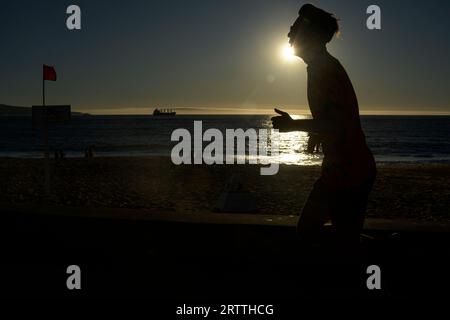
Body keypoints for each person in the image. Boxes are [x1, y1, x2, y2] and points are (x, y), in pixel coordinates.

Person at [272, 4, 376, 248]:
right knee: (324, 232)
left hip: (351, 171)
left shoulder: (324, 69)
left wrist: (293, 125)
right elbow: (334, 117)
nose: (288, 35)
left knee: (322, 234)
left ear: (311, 36)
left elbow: (337, 123)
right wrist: (317, 132)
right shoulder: (320, 66)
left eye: (295, 30)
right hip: (341, 168)